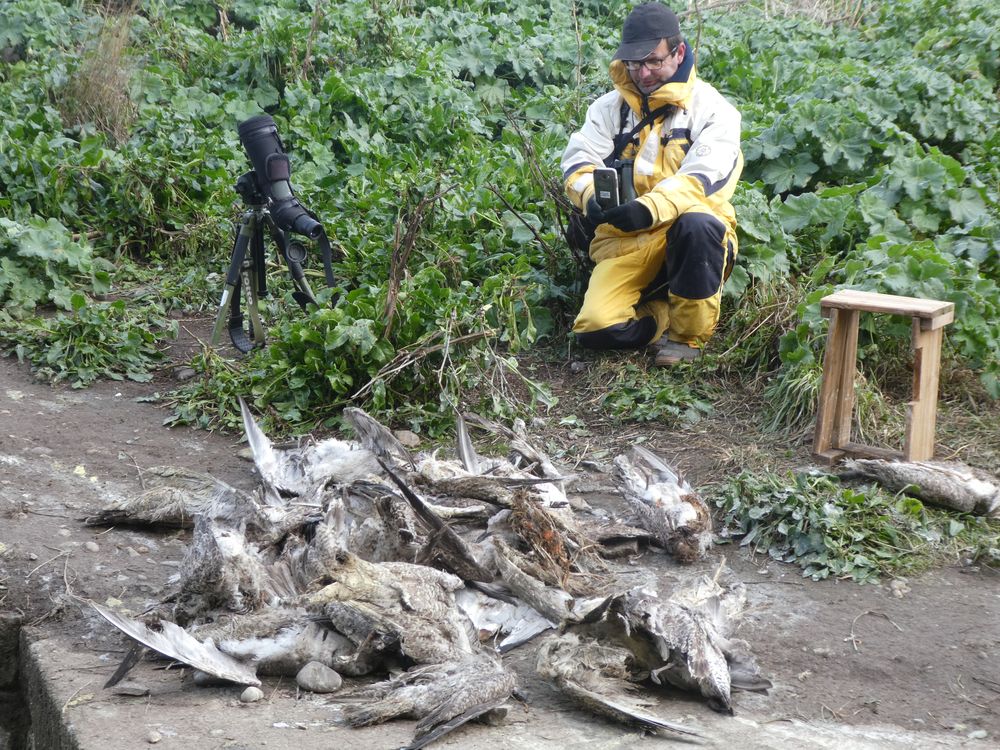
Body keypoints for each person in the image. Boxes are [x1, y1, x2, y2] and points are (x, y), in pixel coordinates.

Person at [561, 2, 743, 365]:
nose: (642, 73)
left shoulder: (714, 110)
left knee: (698, 223)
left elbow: (700, 180)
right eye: (633, 63)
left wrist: (647, 210)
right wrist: (590, 197)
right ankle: (661, 311)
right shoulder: (607, 109)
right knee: (594, 329)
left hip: (691, 237)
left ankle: (687, 338)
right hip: (625, 242)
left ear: (678, 52)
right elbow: (578, 161)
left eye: (653, 62)